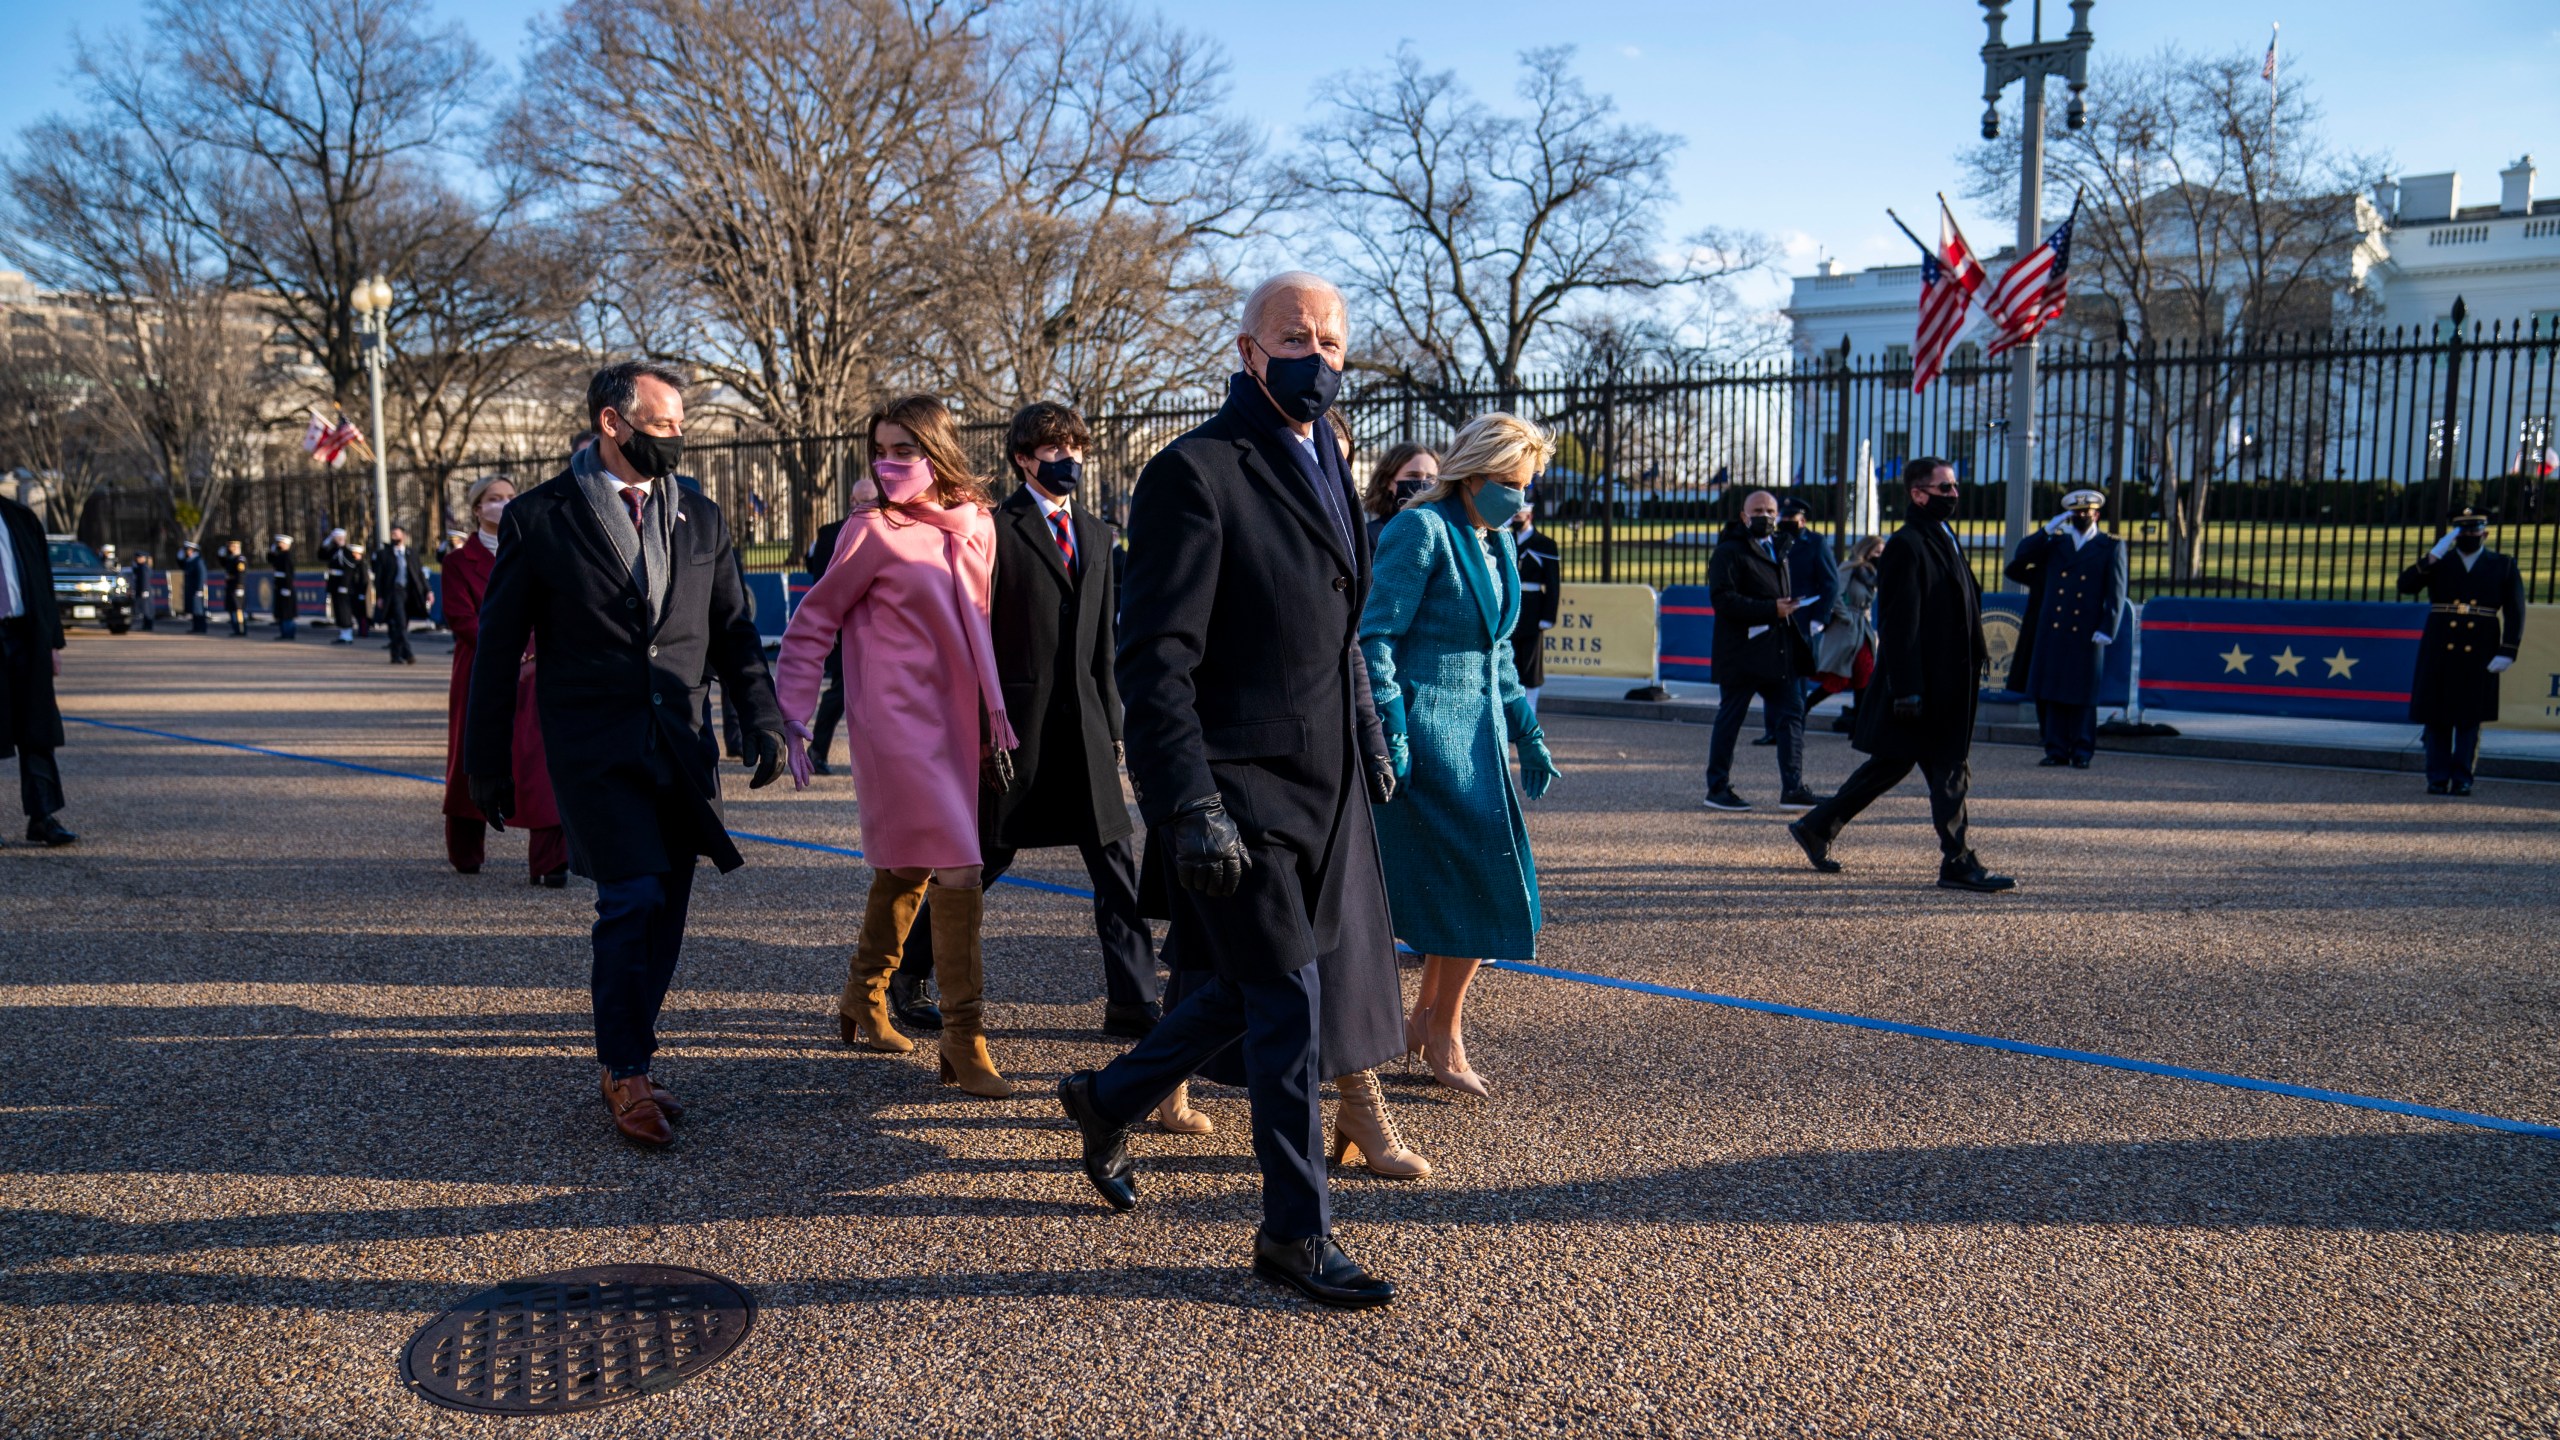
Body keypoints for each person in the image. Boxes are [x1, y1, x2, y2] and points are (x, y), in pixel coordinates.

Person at [1055, 271, 1400, 1310]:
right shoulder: (1193, 471)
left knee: (1237, 991)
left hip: (1326, 786)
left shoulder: (1331, 457)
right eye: (1297, 336)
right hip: (1237, 789)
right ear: (1249, 350)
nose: (1320, 356)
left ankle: (1106, 1096)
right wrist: (1186, 801)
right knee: (1289, 1003)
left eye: (1335, 341)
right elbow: (1153, 660)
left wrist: (1370, 730)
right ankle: (1294, 1236)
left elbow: (1340, 629)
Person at [466, 360, 784, 1148]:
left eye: (679, 425)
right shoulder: (540, 517)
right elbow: (498, 652)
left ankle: (631, 1054)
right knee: (631, 898)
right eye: (664, 425)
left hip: (680, 745)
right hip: (592, 748)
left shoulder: (703, 519)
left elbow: (735, 631)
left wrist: (764, 720)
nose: (677, 438)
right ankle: (625, 1069)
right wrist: (487, 765)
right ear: (614, 422)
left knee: (668, 910)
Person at [773, 394, 1021, 1100]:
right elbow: (814, 620)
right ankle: (964, 1040)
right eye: (880, 450)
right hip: (897, 724)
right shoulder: (872, 529)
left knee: (911, 866)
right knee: (961, 869)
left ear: (936, 450)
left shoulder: (977, 523)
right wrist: (793, 715)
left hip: (960, 719)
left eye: (905, 449)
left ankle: (863, 995)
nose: (889, 463)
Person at [897, 401, 1163, 1045]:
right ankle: (905, 974)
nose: (1069, 459)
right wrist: (976, 727)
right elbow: (969, 631)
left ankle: (1131, 1002)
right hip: (1015, 731)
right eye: (1054, 449)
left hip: (1088, 734)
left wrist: (1116, 724)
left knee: (1116, 871)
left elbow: (1105, 643)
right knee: (984, 862)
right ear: (1023, 458)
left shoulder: (1098, 536)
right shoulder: (992, 528)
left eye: (1076, 446)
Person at [1362, 411, 1559, 1135]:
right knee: (1475, 880)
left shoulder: (1496, 535)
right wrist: (1392, 726)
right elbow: (1377, 634)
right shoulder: (1421, 530)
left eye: (1526, 485)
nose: (1520, 497)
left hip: (1476, 738)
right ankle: (1439, 1031)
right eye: (1511, 482)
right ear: (1474, 471)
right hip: (1428, 729)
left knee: (1482, 882)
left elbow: (1499, 650)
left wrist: (1527, 732)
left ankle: (1433, 1022)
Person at [1788, 458, 2014, 893]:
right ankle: (1959, 862)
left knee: (1889, 767)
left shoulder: (1940, 535)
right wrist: (1908, 690)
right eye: (1944, 487)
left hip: (1948, 680)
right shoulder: (1908, 544)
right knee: (1950, 771)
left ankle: (1817, 827)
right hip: (1926, 686)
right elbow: (1898, 622)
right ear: (1918, 494)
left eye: (1954, 486)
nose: (1953, 494)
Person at [439, 476, 567, 884]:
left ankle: (550, 861)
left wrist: (532, 649)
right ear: (478, 509)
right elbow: (462, 618)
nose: (504, 505)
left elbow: (551, 606)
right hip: (479, 669)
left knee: (540, 762)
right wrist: (509, 649)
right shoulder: (458, 562)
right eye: (494, 499)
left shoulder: (535, 549)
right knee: (470, 755)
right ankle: (466, 850)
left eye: (510, 498)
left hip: (534, 667)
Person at [1703, 490, 1821, 812]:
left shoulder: (1778, 547)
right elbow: (1722, 600)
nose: (1766, 515)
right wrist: (1772, 609)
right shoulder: (1728, 552)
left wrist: (1783, 608)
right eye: (1758, 510)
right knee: (1731, 718)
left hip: (1775, 651)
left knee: (1792, 714)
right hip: (1741, 652)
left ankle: (1793, 788)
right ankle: (1717, 788)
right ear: (1743, 515)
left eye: (1770, 510)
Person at [2398, 506, 2526, 796]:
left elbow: (2516, 611)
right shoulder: (2440, 563)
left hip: (2479, 646)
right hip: (2440, 644)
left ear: (2486, 532)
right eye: (2463, 531)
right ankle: (2437, 776)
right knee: (2437, 714)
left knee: (2470, 716)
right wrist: (2429, 559)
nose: (2470, 535)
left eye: (2474, 530)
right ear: (2454, 535)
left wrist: (2508, 650)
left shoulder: (2502, 564)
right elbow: (2405, 586)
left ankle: (2463, 776)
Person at [2004, 488, 2128, 768]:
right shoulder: (2055, 543)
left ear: (2096, 514)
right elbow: (2020, 557)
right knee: (2052, 690)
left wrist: (2107, 627)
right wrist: (2047, 529)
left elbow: (2116, 591)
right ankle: (2055, 748)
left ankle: (2082, 750)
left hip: (2087, 630)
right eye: (2076, 514)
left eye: (2086, 513)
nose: (2081, 517)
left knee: (2083, 693)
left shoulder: (2110, 546)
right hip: (2053, 628)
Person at [1, 490, 74, 845]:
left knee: (37, 728)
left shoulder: (20, 518)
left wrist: (52, 644)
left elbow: (44, 583)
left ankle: (43, 816)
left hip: (25, 634)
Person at [1759, 495, 1836, 739]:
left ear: (1802, 520)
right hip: (1775, 616)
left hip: (1803, 620)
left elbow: (1830, 583)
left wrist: (1820, 618)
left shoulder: (1815, 543)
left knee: (1796, 679)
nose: (1784, 521)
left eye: (1789, 517)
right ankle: (1772, 729)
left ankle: (1793, 730)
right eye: (1782, 517)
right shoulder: (1775, 541)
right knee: (1770, 674)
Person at [1815, 535, 1885, 731]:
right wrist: (1845, 616)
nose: (1880, 556)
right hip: (1847, 628)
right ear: (1866, 550)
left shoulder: (1871, 574)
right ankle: (1803, 709)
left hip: (1862, 628)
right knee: (1839, 676)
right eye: (1877, 552)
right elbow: (1836, 594)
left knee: (1864, 671)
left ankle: (1860, 721)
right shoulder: (1850, 568)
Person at [800, 518, 848, 779]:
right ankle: (817, 751)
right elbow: (820, 579)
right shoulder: (829, 533)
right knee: (840, 693)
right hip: (845, 628)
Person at [1511, 490, 1560, 713]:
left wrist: (1548, 615)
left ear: (1529, 515)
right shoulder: (1506, 539)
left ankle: (1530, 710)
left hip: (1532, 608)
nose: (1515, 518)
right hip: (1511, 607)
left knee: (1530, 665)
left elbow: (1553, 583)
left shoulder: (1544, 544)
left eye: (1519, 513)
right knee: (1510, 662)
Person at [1359, 442, 1438, 551]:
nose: (1423, 483)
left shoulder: (1443, 532)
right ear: (1388, 482)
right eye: (1413, 476)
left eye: (1430, 477)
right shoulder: (1371, 536)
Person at [372, 527, 429, 665]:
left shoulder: (412, 553)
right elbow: (379, 577)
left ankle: (396, 655)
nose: (394, 537)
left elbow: (419, 574)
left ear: (403, 536)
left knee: (401, 625)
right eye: (392, 534)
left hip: (410, 592)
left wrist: (428, 591)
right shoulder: (384, 554)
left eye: (396, 534)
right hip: (393, 592)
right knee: (401, 622)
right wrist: (379, 596)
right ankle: (408, 653)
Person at [266, 535, 299, 641]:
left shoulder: (287, 556)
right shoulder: (279, 555)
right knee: (281, 611)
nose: (278, 545)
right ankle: (284, 633)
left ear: (286, 544)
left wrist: (287, 588)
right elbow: (270, 559)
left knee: (287, 613)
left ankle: (288, 633)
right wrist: (271, 550)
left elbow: (289, 574)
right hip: (280, 586)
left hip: (285, 587)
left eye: (280, 543)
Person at [176, 541, 209, 634]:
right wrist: (179, 557)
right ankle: (196, 627)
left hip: (197, 589)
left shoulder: (198, 561)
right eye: (186, 550)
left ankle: (201, 628)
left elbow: (202, 575)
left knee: (199, 609)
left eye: (189, 550)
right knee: (194, 609)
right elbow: (182, 566)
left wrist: (199, 589)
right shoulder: (189, 560)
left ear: (193, 550)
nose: (187, 552)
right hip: (191, 588)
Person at [219, 541, 248, 636]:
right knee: (231, 608)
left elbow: (241, 574)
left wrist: (240, 587)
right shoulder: (231, 558)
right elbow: (223, 564)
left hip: (237, 587)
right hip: (230, 586)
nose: (229, 548)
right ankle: (236, 629)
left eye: (232, 546)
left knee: (238, 609)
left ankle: (241, 629)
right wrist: (221, 555)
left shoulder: (240, 559)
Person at [130, 553, 155, 632]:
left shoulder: (144, 567)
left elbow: (145, 580)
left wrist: (145, 590)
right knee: (144, 609)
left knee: (147, 609)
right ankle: (145, 625)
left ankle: (148, 626)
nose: (137, 559)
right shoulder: (140, 567)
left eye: (139, 557)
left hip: (145, 590)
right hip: (143, 590)